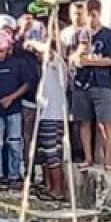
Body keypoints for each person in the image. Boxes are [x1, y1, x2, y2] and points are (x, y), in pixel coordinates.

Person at [69, 0, 111, 169]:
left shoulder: (109, 35)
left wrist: (91, 62)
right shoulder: (77, 35)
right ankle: (88, 157)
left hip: (102, 83)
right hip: (81, 83)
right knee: (83, 121)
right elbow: (72, 59)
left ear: (95, 13)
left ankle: (108, 160)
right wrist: (81, 54)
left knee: (106, 122)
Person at [0, 29, 33, 189]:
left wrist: (11, 98)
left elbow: (27, 83)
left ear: (8, 49)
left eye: (1, 51)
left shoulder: (18, 63)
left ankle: (14, 175)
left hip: (14, 110)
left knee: (15, 143)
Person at [34, 33, 70, 202]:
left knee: (52, 153)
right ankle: (49, 186)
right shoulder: (46, 67)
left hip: (53, 114)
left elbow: (50, 52)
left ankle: (58, 189)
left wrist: (35, 43)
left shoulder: (58, 64)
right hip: (45, 114)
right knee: (44, 152)